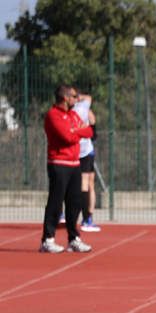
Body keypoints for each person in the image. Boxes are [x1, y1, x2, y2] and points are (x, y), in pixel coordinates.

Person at [40, 84, 94, 253]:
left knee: (75, 203)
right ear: (65, 98)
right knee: (55, 203)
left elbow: (89, 131)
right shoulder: (53, 115)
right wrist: (76, 132)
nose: (76, 99)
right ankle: (47, 239)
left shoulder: (72, 115)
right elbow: (67, 137)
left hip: (74, 164)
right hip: (59, 164)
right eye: (73, 96)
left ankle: (73, 238)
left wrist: (75, 131)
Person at [72, 89, 100, 232]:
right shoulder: (68, 113)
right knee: (77, 184)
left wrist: (78, 97)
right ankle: (81, 217)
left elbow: (88, 97)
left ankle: (88, 217)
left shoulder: (82, 107)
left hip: (86, 152)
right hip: (75, 152)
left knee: (89, 183)